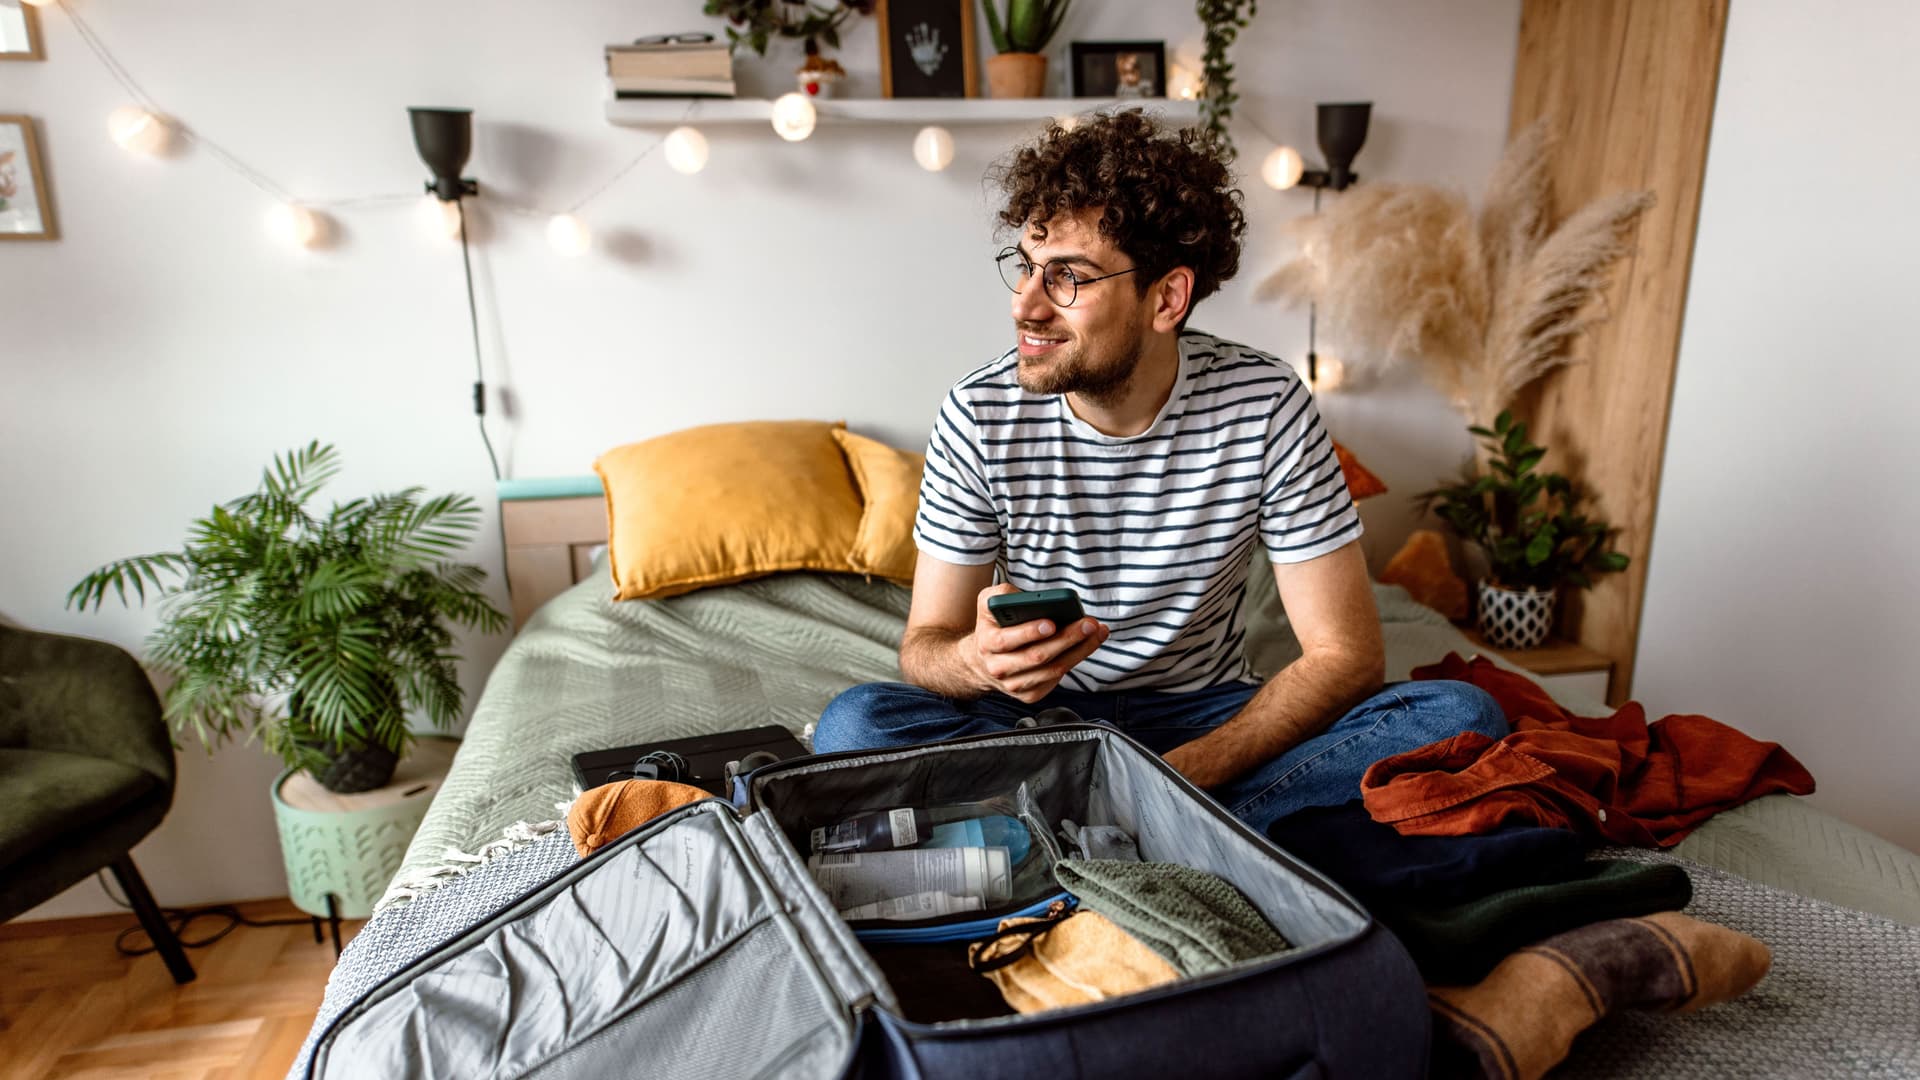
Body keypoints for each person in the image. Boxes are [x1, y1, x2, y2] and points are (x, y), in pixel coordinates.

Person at [813, 111, 1505, 832]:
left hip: (1203, 718)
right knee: (854, 726)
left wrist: (1180, 773)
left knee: (1460, 716)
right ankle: (1190, 824)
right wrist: (978, 662)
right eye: (1025, 266)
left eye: (1068, 277)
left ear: (1167, 298)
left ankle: (1067, 819)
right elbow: (925, 646)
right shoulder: (978, 412)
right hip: (1031, 719)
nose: (1025, 304)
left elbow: (1346, 657)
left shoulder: (1266, 404)